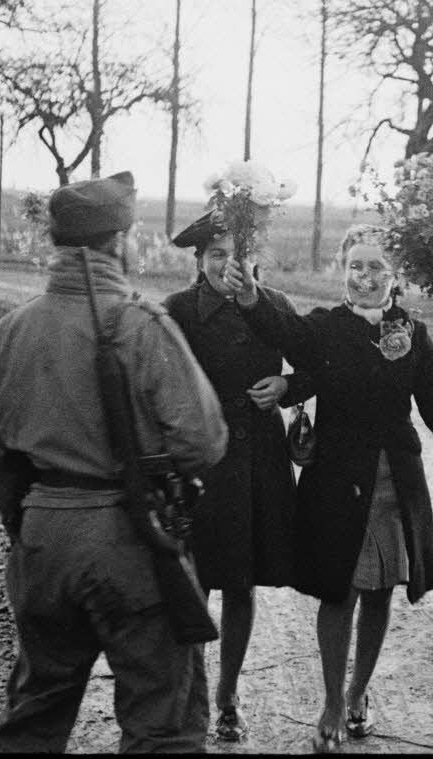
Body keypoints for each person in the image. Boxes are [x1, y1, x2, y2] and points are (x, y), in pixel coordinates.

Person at [0, 171, 228, 752]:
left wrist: (33, 521)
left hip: (41, 542)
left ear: (60, 241)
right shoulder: (140, 324)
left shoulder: (9, 330)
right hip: (127, 541)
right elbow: (205, 438)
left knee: (35, 712)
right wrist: (151, 471)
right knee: (162, 725)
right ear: (118, 240)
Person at [222, 223, 433, 752]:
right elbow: (285, 334)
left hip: (396, 480)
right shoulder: (326, 326)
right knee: (339, 592)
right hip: (338, 480)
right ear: (344, 271)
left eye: (377, 268)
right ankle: (333, 702)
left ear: (395, 275)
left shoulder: (413, 330)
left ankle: (360, 693)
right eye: (356, 267)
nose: (365, 278)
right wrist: (250, 298)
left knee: (381, 591)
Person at [163, 212, 315, 742]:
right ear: (200, 262)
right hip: (202, 458)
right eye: (215, 255)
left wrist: (287, 387)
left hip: (258, 456)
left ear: (253, 257)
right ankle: (189, 697)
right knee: (195, 582)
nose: (226, 264)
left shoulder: (270, 305)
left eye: (235, 252)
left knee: (242, 582)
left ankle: (227, 699)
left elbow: (313, 360)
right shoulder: (178, 311)